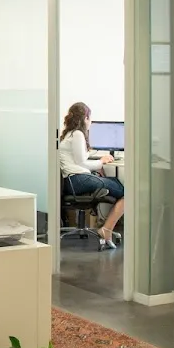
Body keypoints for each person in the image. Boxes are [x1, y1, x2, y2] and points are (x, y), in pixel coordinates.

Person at [58, 101, 125, 250]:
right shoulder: (78, 134)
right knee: (127, 193)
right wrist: (101, 162)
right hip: (78, 180)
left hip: (72, 180)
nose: (91, 122)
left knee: (114, 182)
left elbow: (79, 159)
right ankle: (106, 230)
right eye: (90, 118)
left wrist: (98, 160)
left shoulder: (69, 134)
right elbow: (81, 162)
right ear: (85, 118)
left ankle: (106, 228)